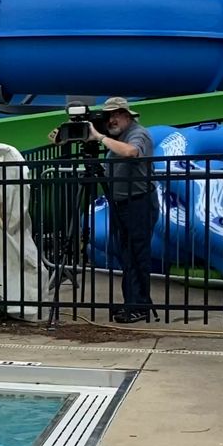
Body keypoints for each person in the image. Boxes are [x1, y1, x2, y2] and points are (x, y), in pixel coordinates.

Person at [88, 97, 158, 323]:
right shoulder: (117, 136)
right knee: (127, 254)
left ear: (128, 115)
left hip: (139, 201)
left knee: (138, 254)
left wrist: (100, 137)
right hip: (122, 203)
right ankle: (132, 302)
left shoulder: (139, 133)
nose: (112, 120)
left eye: (116, 114)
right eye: (109, 116)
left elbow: (131, 152)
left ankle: (140, 305)